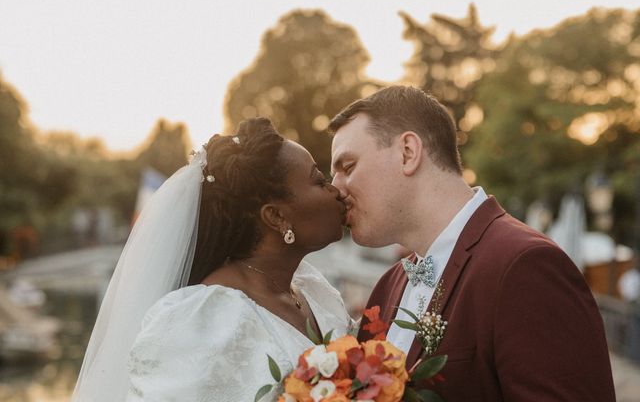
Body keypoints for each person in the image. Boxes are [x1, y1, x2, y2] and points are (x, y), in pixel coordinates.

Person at [329, 86, 616, 401]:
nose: (335, 189)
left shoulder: (525, 266)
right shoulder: (387, 288)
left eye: (347, 167)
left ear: (408, 152)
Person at [72, 118, 350, 402]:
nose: (336, 190)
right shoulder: (202, 322)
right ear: (276, 217)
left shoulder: (313, 289)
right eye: (319, 180)